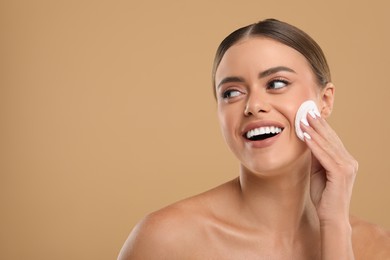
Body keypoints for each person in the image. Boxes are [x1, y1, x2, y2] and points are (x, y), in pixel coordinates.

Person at [118, 19, 390, 259]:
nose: (253, 105)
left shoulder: (377, 246)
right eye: (231, 93)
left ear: (325, 100)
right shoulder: (165, 240)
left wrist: (335, 225)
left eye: (276, 83)